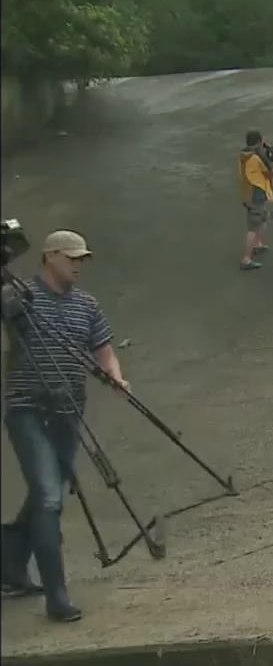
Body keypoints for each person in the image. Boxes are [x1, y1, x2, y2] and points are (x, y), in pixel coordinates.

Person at [1, 230, 129, 622]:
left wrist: (114, 375)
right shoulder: (19, 295)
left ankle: (9, 564)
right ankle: (57, 597)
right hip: (26, 408)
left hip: (69, 409)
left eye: (82, 258)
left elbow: (103, 347)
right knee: (49, 496)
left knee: (48, 490)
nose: (77, 264)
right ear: (49, 256)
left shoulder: (86, 305)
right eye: (71, 257)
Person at [237, 129, 273, 270]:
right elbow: (270, 174)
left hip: (247, 193)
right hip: (256, 194)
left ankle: (258, 245)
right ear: (260, 142)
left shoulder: (243, 155)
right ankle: (246, 259)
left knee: (261, 218)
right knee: (253, 226)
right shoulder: (256, 158)